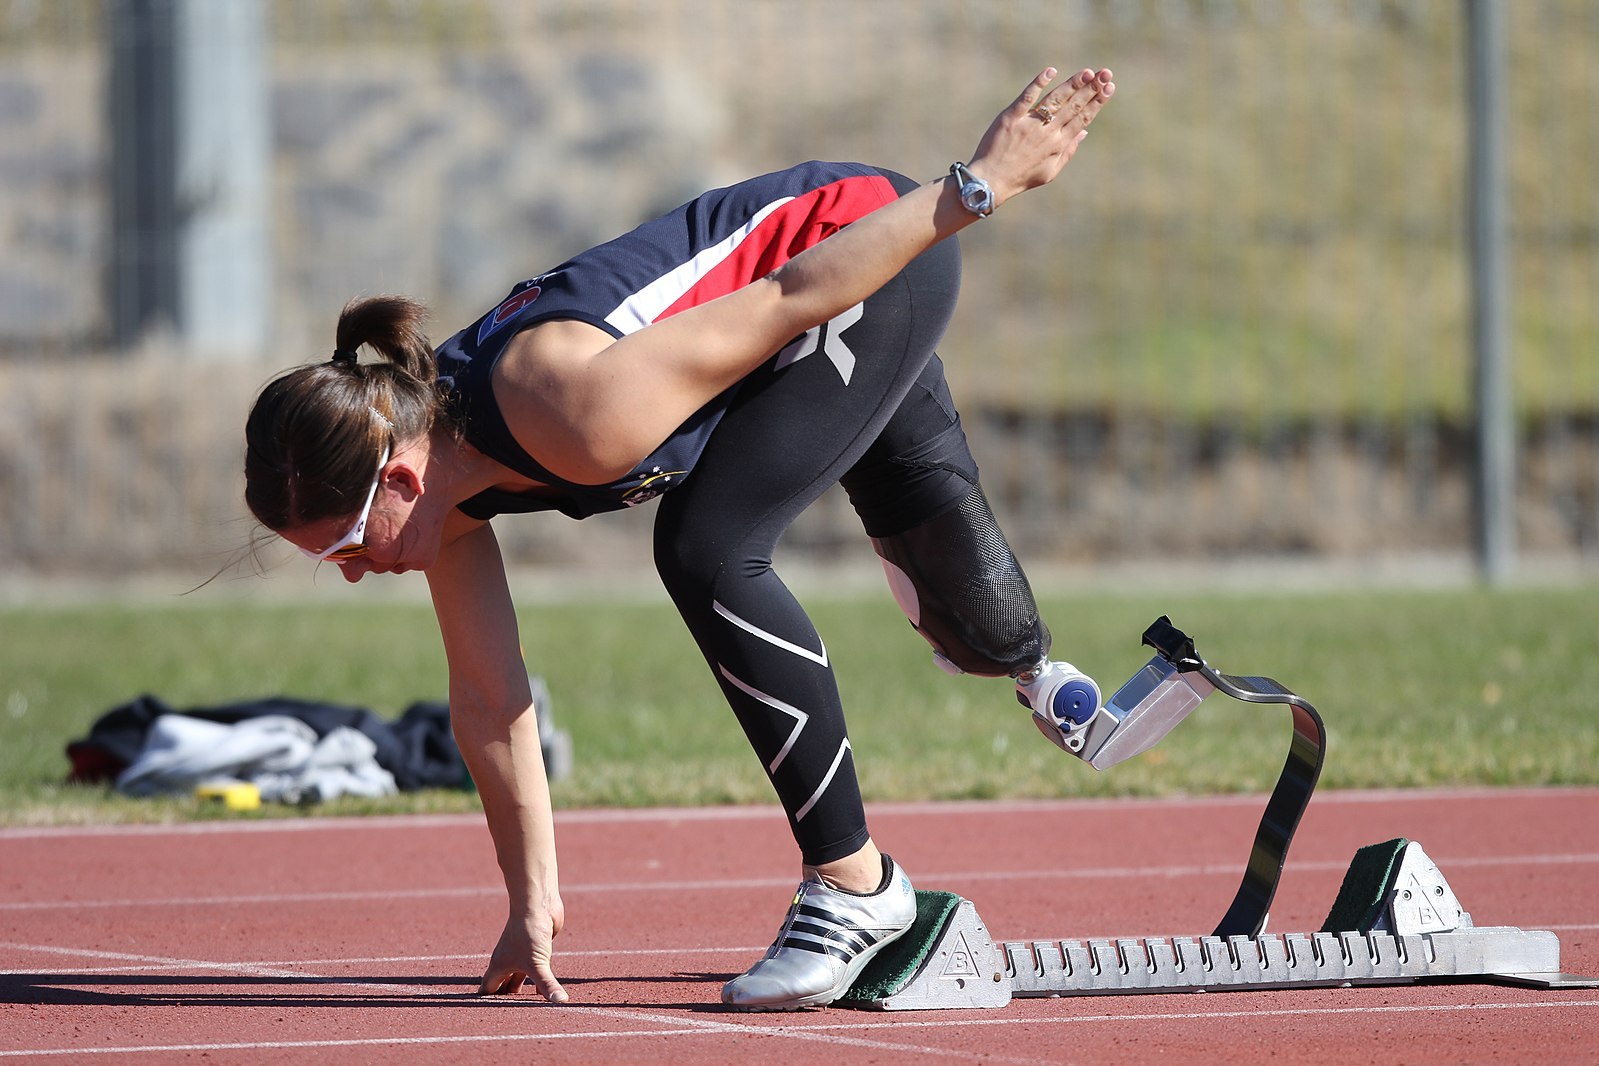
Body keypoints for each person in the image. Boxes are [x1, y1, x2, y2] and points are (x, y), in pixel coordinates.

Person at [244, 64, 1115, 1010]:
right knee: (979, 629)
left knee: (705, 549)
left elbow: (787, 296)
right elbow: (490, 699)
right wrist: (532, 904)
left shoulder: (568, 408)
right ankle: (1040, 676)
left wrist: (974, 187)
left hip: (867, 255)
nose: (352, 576)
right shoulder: (447, 493)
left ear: (400, 478)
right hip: (806, 309)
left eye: (345, 550)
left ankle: (857, 888)